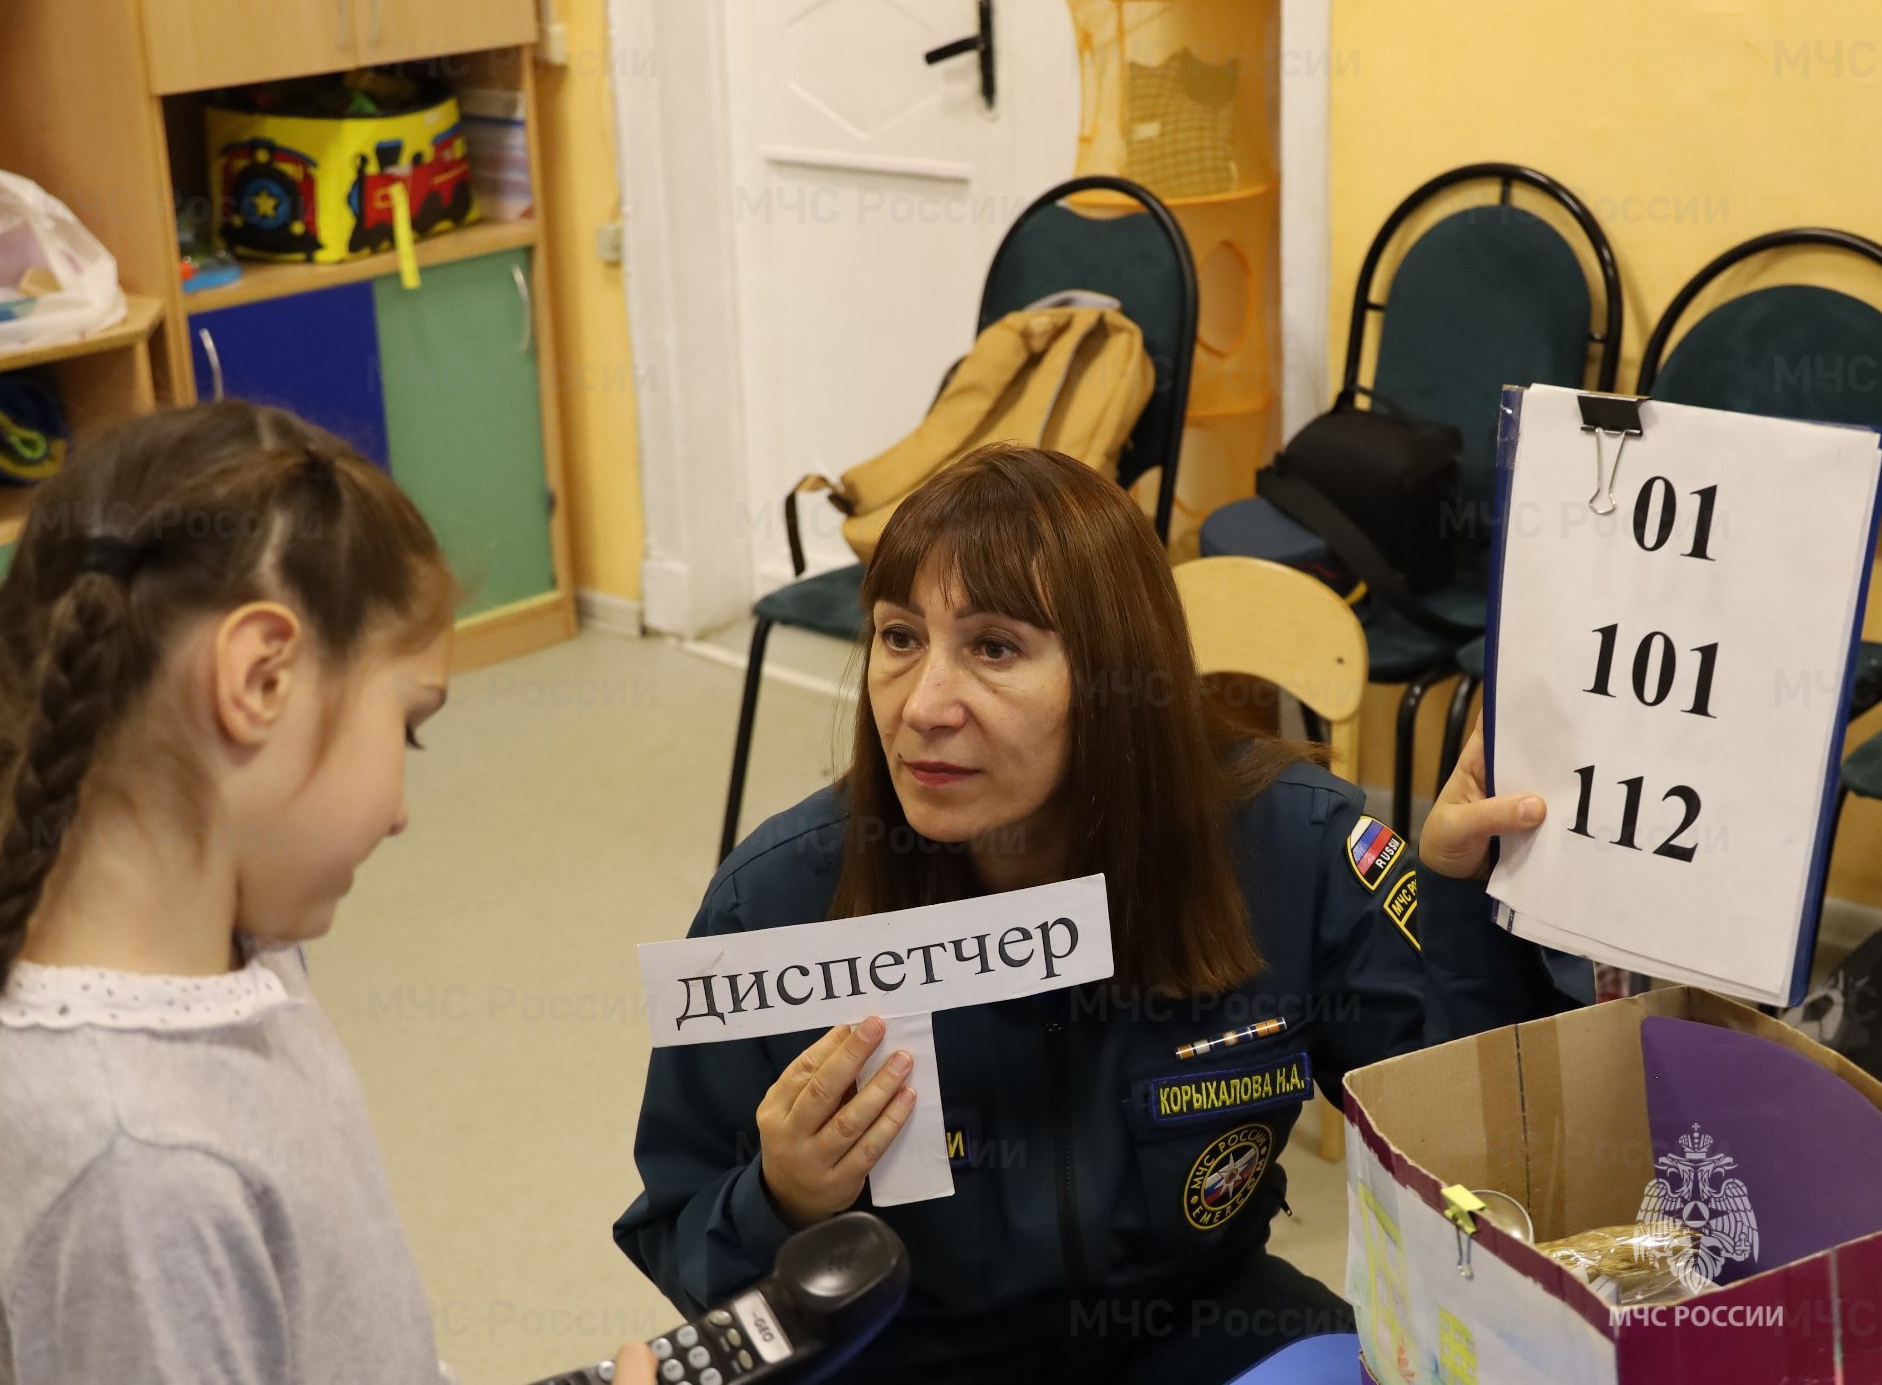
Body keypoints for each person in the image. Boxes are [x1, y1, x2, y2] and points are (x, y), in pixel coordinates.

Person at [616, 445, 1589, 1384]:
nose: (922, 705)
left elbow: (1472, 1163)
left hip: (1193, 1325)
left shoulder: (1289, 848)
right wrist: (777, 1199)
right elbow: (679, 1235)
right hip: (902, 1354)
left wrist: (1469, 902)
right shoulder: (776, 904)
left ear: (1118, 681)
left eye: (993, 646)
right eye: (899, 637)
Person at [0, 403, 652, 1385]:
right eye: (410, 726)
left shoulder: (243, 956)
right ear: (261, 676)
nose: (400, 811)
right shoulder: (138, 1171)